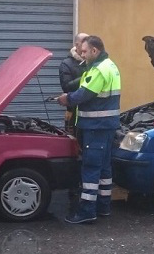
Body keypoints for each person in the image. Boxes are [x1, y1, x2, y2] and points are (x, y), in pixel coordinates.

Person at [57, 35, 121, 224]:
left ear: (95, 51)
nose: (81, 54)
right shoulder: (110, 65)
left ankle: (87, 211)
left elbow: (84, 94)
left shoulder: (100, 70)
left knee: (91, 169)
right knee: (104, 169)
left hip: (96, 127)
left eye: (84, 51)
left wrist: (66, 99)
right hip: (106, 127)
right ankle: (103, 207)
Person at [59, 33, 89, 134]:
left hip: (89, 112)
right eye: (84, 41)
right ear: (77, 45)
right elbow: (66, 86)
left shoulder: (91, 63)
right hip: (73, 113)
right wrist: (87, 77)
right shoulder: (66, 64)